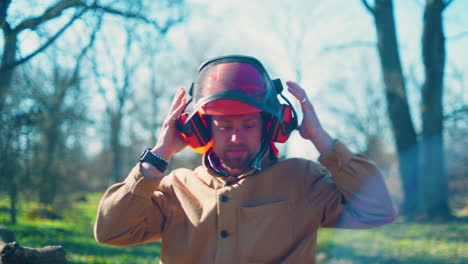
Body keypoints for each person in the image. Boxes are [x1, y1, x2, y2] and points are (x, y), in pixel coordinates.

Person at [94, 55, 396, 264]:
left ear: (269, 125)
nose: (236, 137)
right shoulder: (176, 188)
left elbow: (378, 209)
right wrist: (160, 154)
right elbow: (111, 231)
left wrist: (320, 138)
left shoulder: (304, 181)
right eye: (224, 126)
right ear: (201, 128)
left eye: (248, 125)